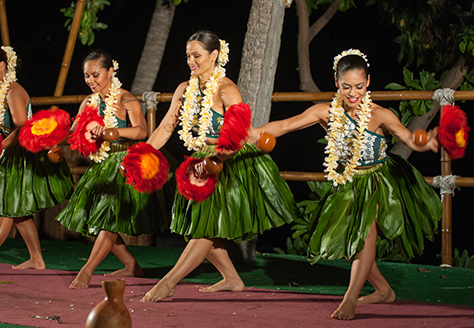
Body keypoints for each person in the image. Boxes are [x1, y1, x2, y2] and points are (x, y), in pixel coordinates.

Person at [252, 49, 443, 320]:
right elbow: (286, 125)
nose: (353, 93)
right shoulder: (325, 112)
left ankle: (350, 299)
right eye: (346, 87)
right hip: (348, 183)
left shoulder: (379, 115)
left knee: (366, 236)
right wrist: (254, 133)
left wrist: (426, 141)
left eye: (359, 86)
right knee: (348, 244)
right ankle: (384, 290)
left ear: (368, 82)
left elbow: (409, 138)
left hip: (378, 180)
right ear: (336, 83)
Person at [140, 30, 297, 303]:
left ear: (214, 55)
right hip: (200, 161)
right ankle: (232, 278)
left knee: (204, 228)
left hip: (228, 162)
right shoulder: (184, 89)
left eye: (197, 55)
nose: (191, 60)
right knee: (202, 225)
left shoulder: (227, 89)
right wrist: (140, 155)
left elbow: (237, 138)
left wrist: (214, 161)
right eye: (188, 55)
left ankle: (168, 282)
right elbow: (166, 127)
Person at [56, 50, 175, 289]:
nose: (90, 80)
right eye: (87, 75)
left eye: (95, 74)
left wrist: (115, 132)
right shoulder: (88, 102)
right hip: (102, 164)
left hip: (124, 162)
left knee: (108, 219)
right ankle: (131, 266)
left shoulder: (125, 98)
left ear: (111, 71)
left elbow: (141, 131)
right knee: (102, 219)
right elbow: (74, 129)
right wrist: (52, 134)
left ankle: (86, 270)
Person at [0, 46, 74, 277]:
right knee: (18, 211)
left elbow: (21, 127)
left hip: (20, 153)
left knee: (7, 209)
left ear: (2, 66)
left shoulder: (13, 91)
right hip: (9, 151)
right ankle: (37, 258)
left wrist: (0, 146)